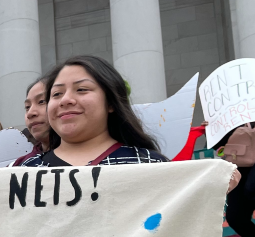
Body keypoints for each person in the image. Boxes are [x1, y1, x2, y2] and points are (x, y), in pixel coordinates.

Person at [19, 55, 168, 168]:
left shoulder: (150, 164)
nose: (65, 100)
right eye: (57, 94)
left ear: (110, 103)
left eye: (81, 89)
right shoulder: (24, 171)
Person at [13, 77, 53, 166]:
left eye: (41, 101)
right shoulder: (18, 166)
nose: (30, 113)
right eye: (27, 107)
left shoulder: (88, 162)